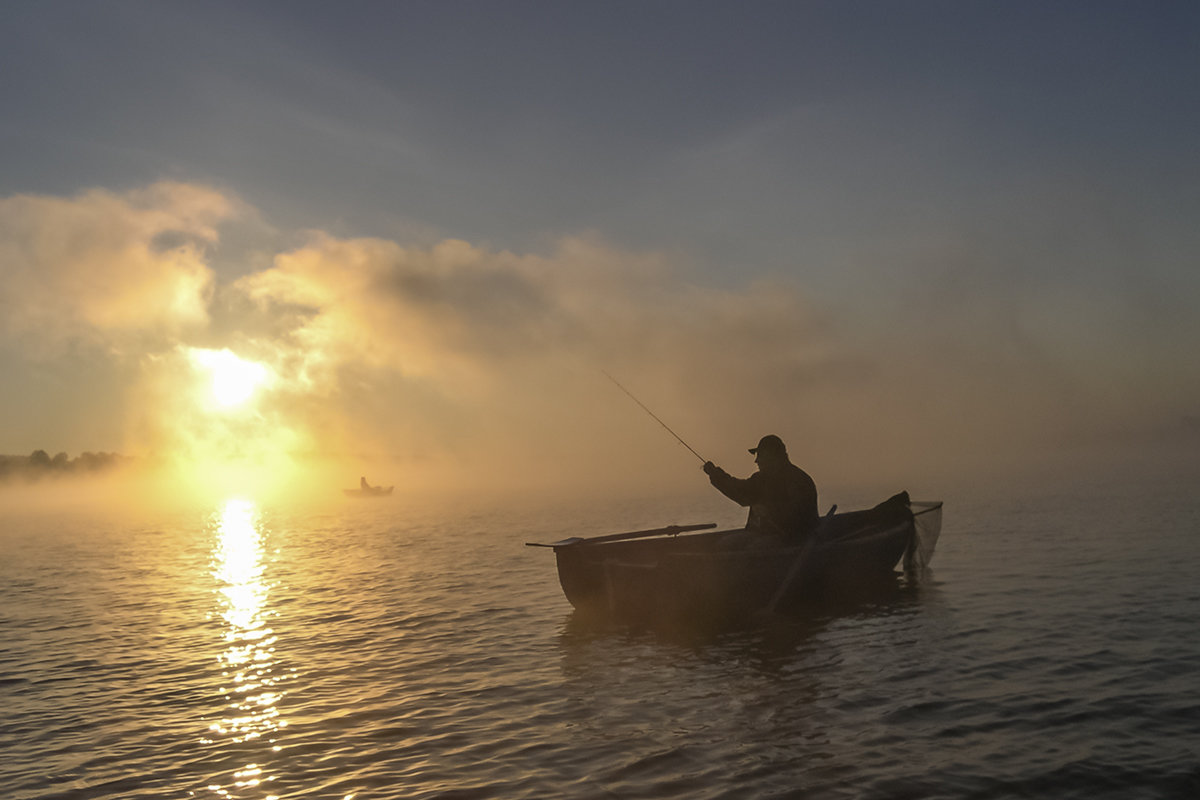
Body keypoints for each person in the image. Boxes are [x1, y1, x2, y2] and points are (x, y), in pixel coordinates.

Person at [703, 435, 819, 542]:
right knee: (727, 542)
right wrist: (716, 475)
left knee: (756, 545)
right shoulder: (760, 479)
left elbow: (799, 516)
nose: (756, 461)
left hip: (793, 538)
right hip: (762, 534)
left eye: (760, 455)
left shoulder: (798, 480)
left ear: (773, 456)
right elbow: (740, 492)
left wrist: (769, 510)